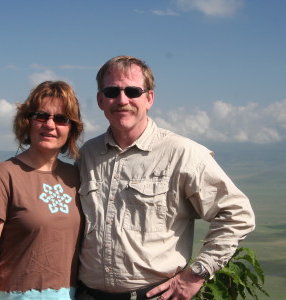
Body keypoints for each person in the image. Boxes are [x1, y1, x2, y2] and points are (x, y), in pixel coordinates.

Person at [76, 56, 255, 300]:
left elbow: (237, 214)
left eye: (132, 91)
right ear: (100, 99)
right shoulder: (87, 154)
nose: (122, 100)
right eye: (112, 91)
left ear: (149, 98)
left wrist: (197, 273)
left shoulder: (182, 153)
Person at [0, 80, 84, 300]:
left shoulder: (76, 177)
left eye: (61, 119)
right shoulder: (2, 176)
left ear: (71, 128)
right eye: (41, 116)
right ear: (28, 121)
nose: (50, 125)